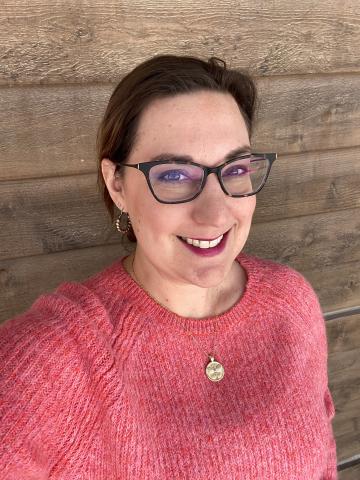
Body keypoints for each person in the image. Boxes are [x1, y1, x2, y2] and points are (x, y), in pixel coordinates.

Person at [0, 55, 337, 479]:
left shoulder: (293, 302)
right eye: (176, 175)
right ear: (116, 184)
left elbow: (322, 464)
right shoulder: (59, 355)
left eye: (234, 169)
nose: (216, 214)